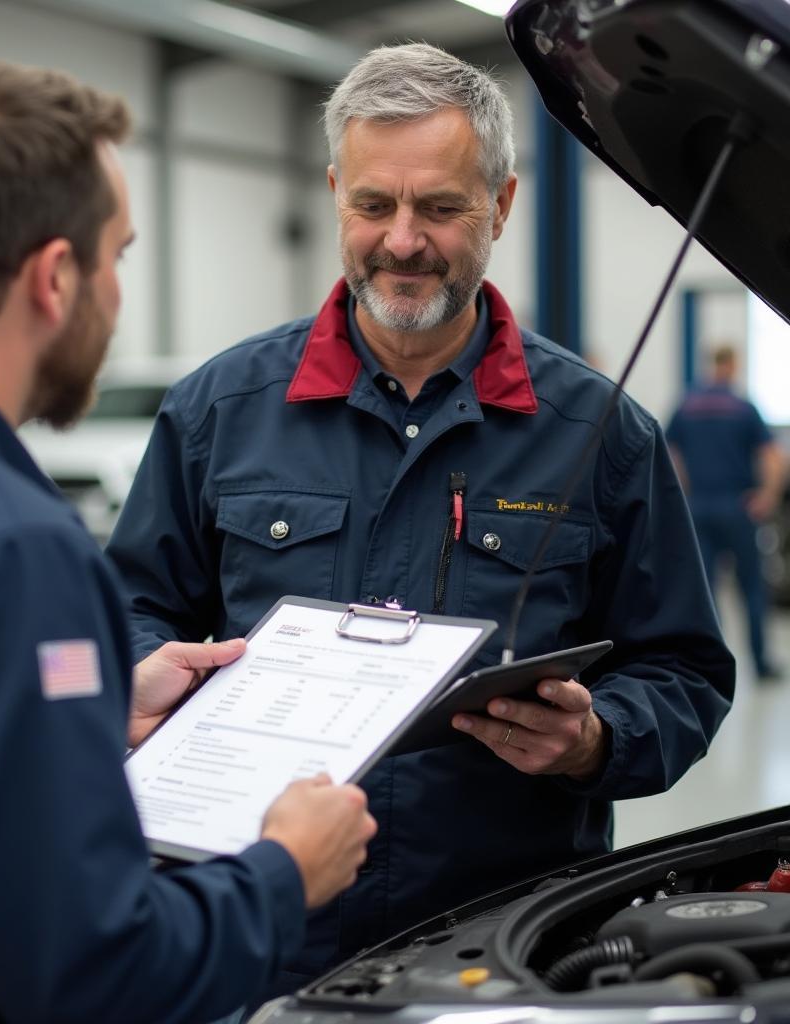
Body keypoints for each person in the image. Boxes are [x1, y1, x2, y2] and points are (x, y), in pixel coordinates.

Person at [107, 42, 736, 1002]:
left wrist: (597, 737)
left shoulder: (600, 435)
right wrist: (146, 682)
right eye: (373, 205)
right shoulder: (217, 414)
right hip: (255, 935)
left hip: (505, 946)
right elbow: (131, 614)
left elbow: (687, 671)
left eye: (440, 207)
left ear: (502, 205)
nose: (402, 240)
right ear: (334, 196)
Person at [0, 60, 378, 1024]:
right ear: (56, 276)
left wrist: (83, 713)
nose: (116, 293)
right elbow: (90, 975)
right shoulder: (7, 548)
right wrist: (282, 874)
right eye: (117, 256)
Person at [666, 344, 786, 680]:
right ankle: (761, 664)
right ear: (731, 365)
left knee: (705, 591)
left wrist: (685, 492)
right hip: (738, 506)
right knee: (751, 587)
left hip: (700, 508)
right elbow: (772, 457)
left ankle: (711, 668)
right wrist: (767, 497)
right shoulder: (744, 408)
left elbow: (668, 452)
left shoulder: (687, 406)